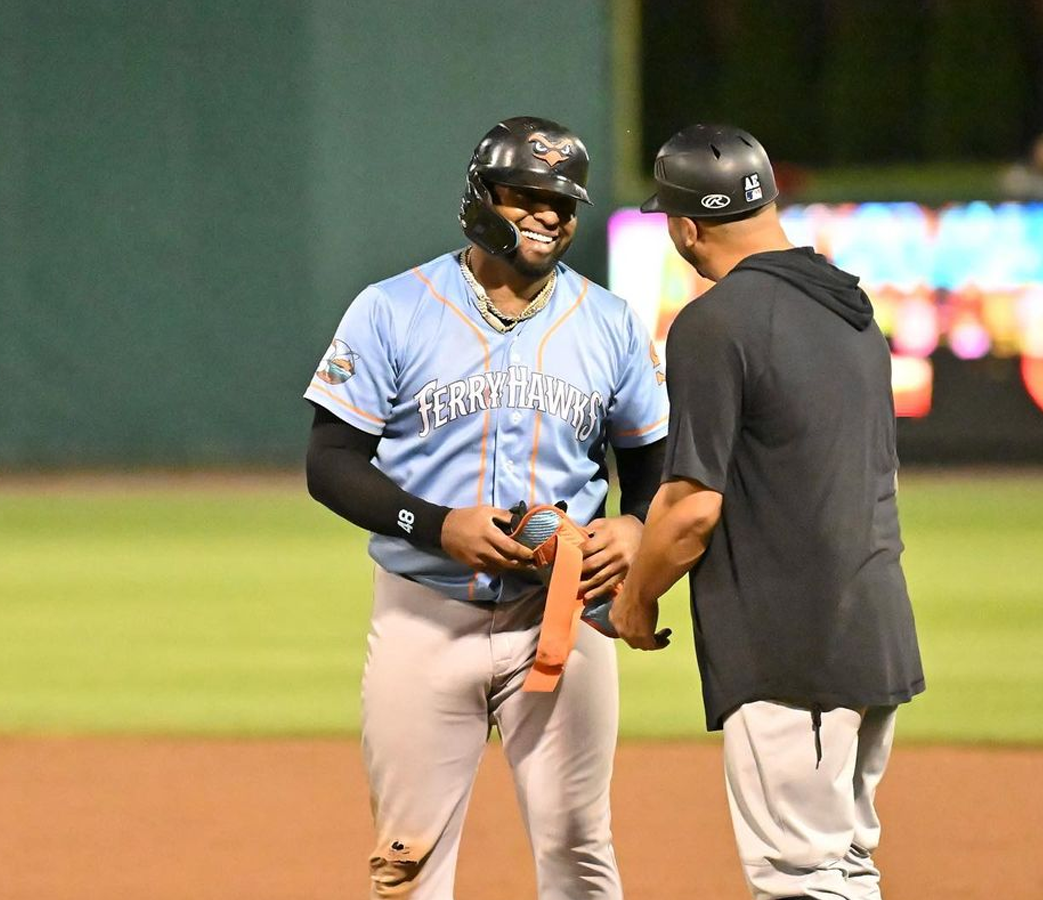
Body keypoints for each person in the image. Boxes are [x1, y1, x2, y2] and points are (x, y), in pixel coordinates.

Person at [303, 115, 668, 899]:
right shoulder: (391, 309)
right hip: (421, 616)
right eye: (525, 194)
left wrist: (634, 526)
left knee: (580, 849)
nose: (546, 214)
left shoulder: (608, 321)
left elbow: (651, 460)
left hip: (561, 616)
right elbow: (330, 463)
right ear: (479, 196)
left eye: (562, 201)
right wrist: (435, 525)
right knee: (407, 860)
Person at [611, 124, 924, 900]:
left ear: (686, 228)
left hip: (792, 648)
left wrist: (636, 595)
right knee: (844, 866)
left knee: (801, 880)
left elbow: (688, 510)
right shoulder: (850, 309)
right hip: (872, 627)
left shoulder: (716, 322)